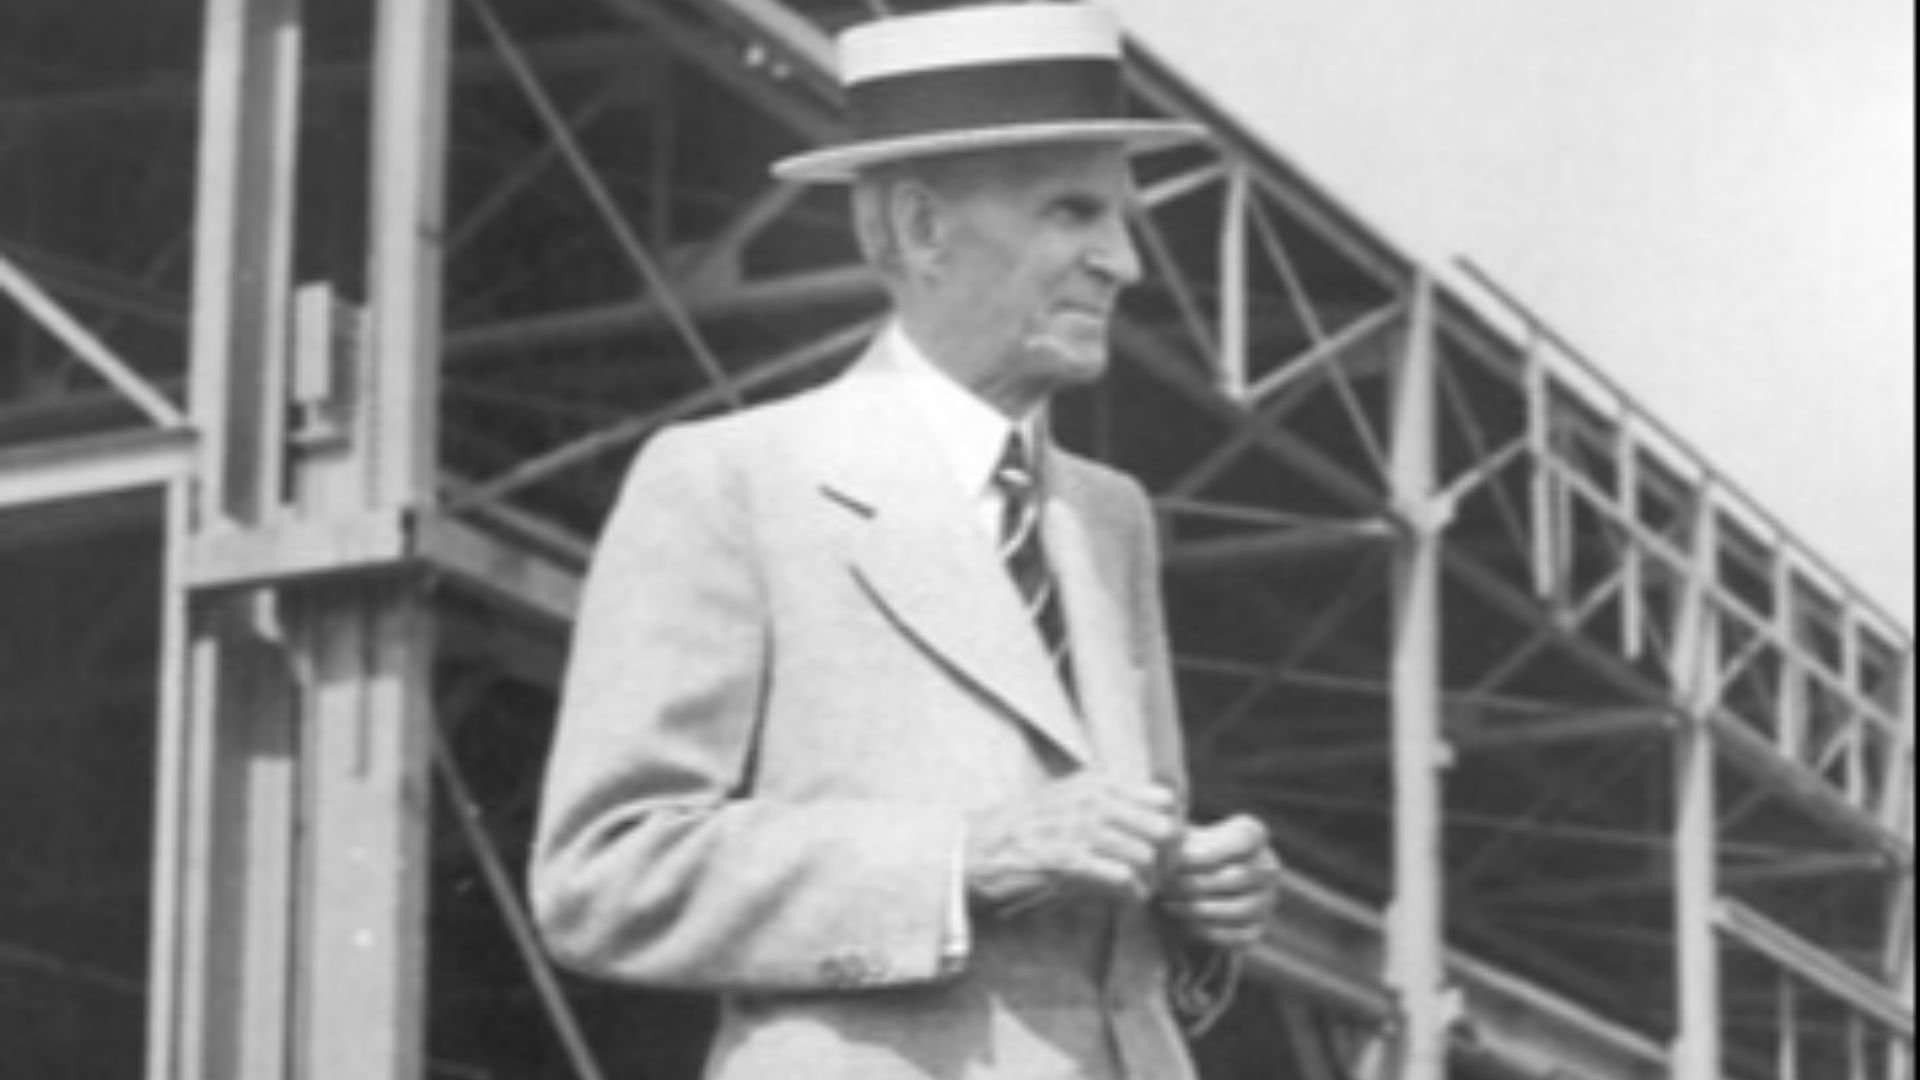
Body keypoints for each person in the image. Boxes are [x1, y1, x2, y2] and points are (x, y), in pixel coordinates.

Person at [530, 5, 1282, 1078]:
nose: (1123, 262)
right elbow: (602, 877)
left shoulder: (1110, 516)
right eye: (1073, 212)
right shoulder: (733, 480)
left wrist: (1198, 902)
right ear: (922, 228)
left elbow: (1112, 899)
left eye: (1122, 218)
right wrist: (962, 858)